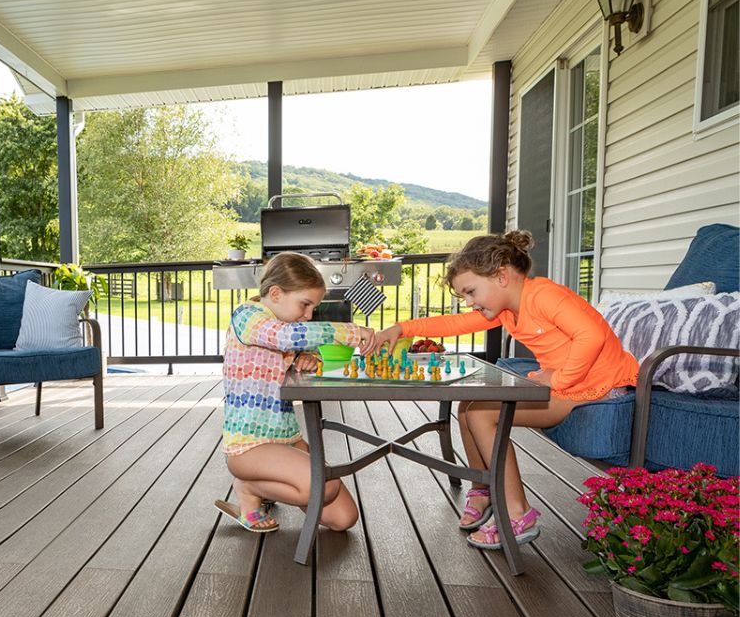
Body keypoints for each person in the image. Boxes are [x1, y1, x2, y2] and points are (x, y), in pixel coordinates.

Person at [365, 230, 639, 549]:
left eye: (471, 291)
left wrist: (558, 379)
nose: (469, 302)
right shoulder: (509, 309)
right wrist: (402, 328)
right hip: (572, 384)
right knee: (468, 404)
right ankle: (483, 488)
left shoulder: (544, 295)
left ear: (501, 276)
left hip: (596, 389)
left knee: (482, 413)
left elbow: (591, 336)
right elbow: (456, 325)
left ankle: (516, 513)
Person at [218, 252, 374, 532]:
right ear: (275, 293)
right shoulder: (248, 317)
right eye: (305, 304)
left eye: (313, 307)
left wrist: (310, 358)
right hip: (249, 445)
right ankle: (249, 488)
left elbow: (298, 344)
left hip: (286, 437)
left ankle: (268, 486)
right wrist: (351, 333)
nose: (309, 315)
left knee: (344, 519)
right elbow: (285, 337)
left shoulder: (283, 325)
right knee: (326, 487)